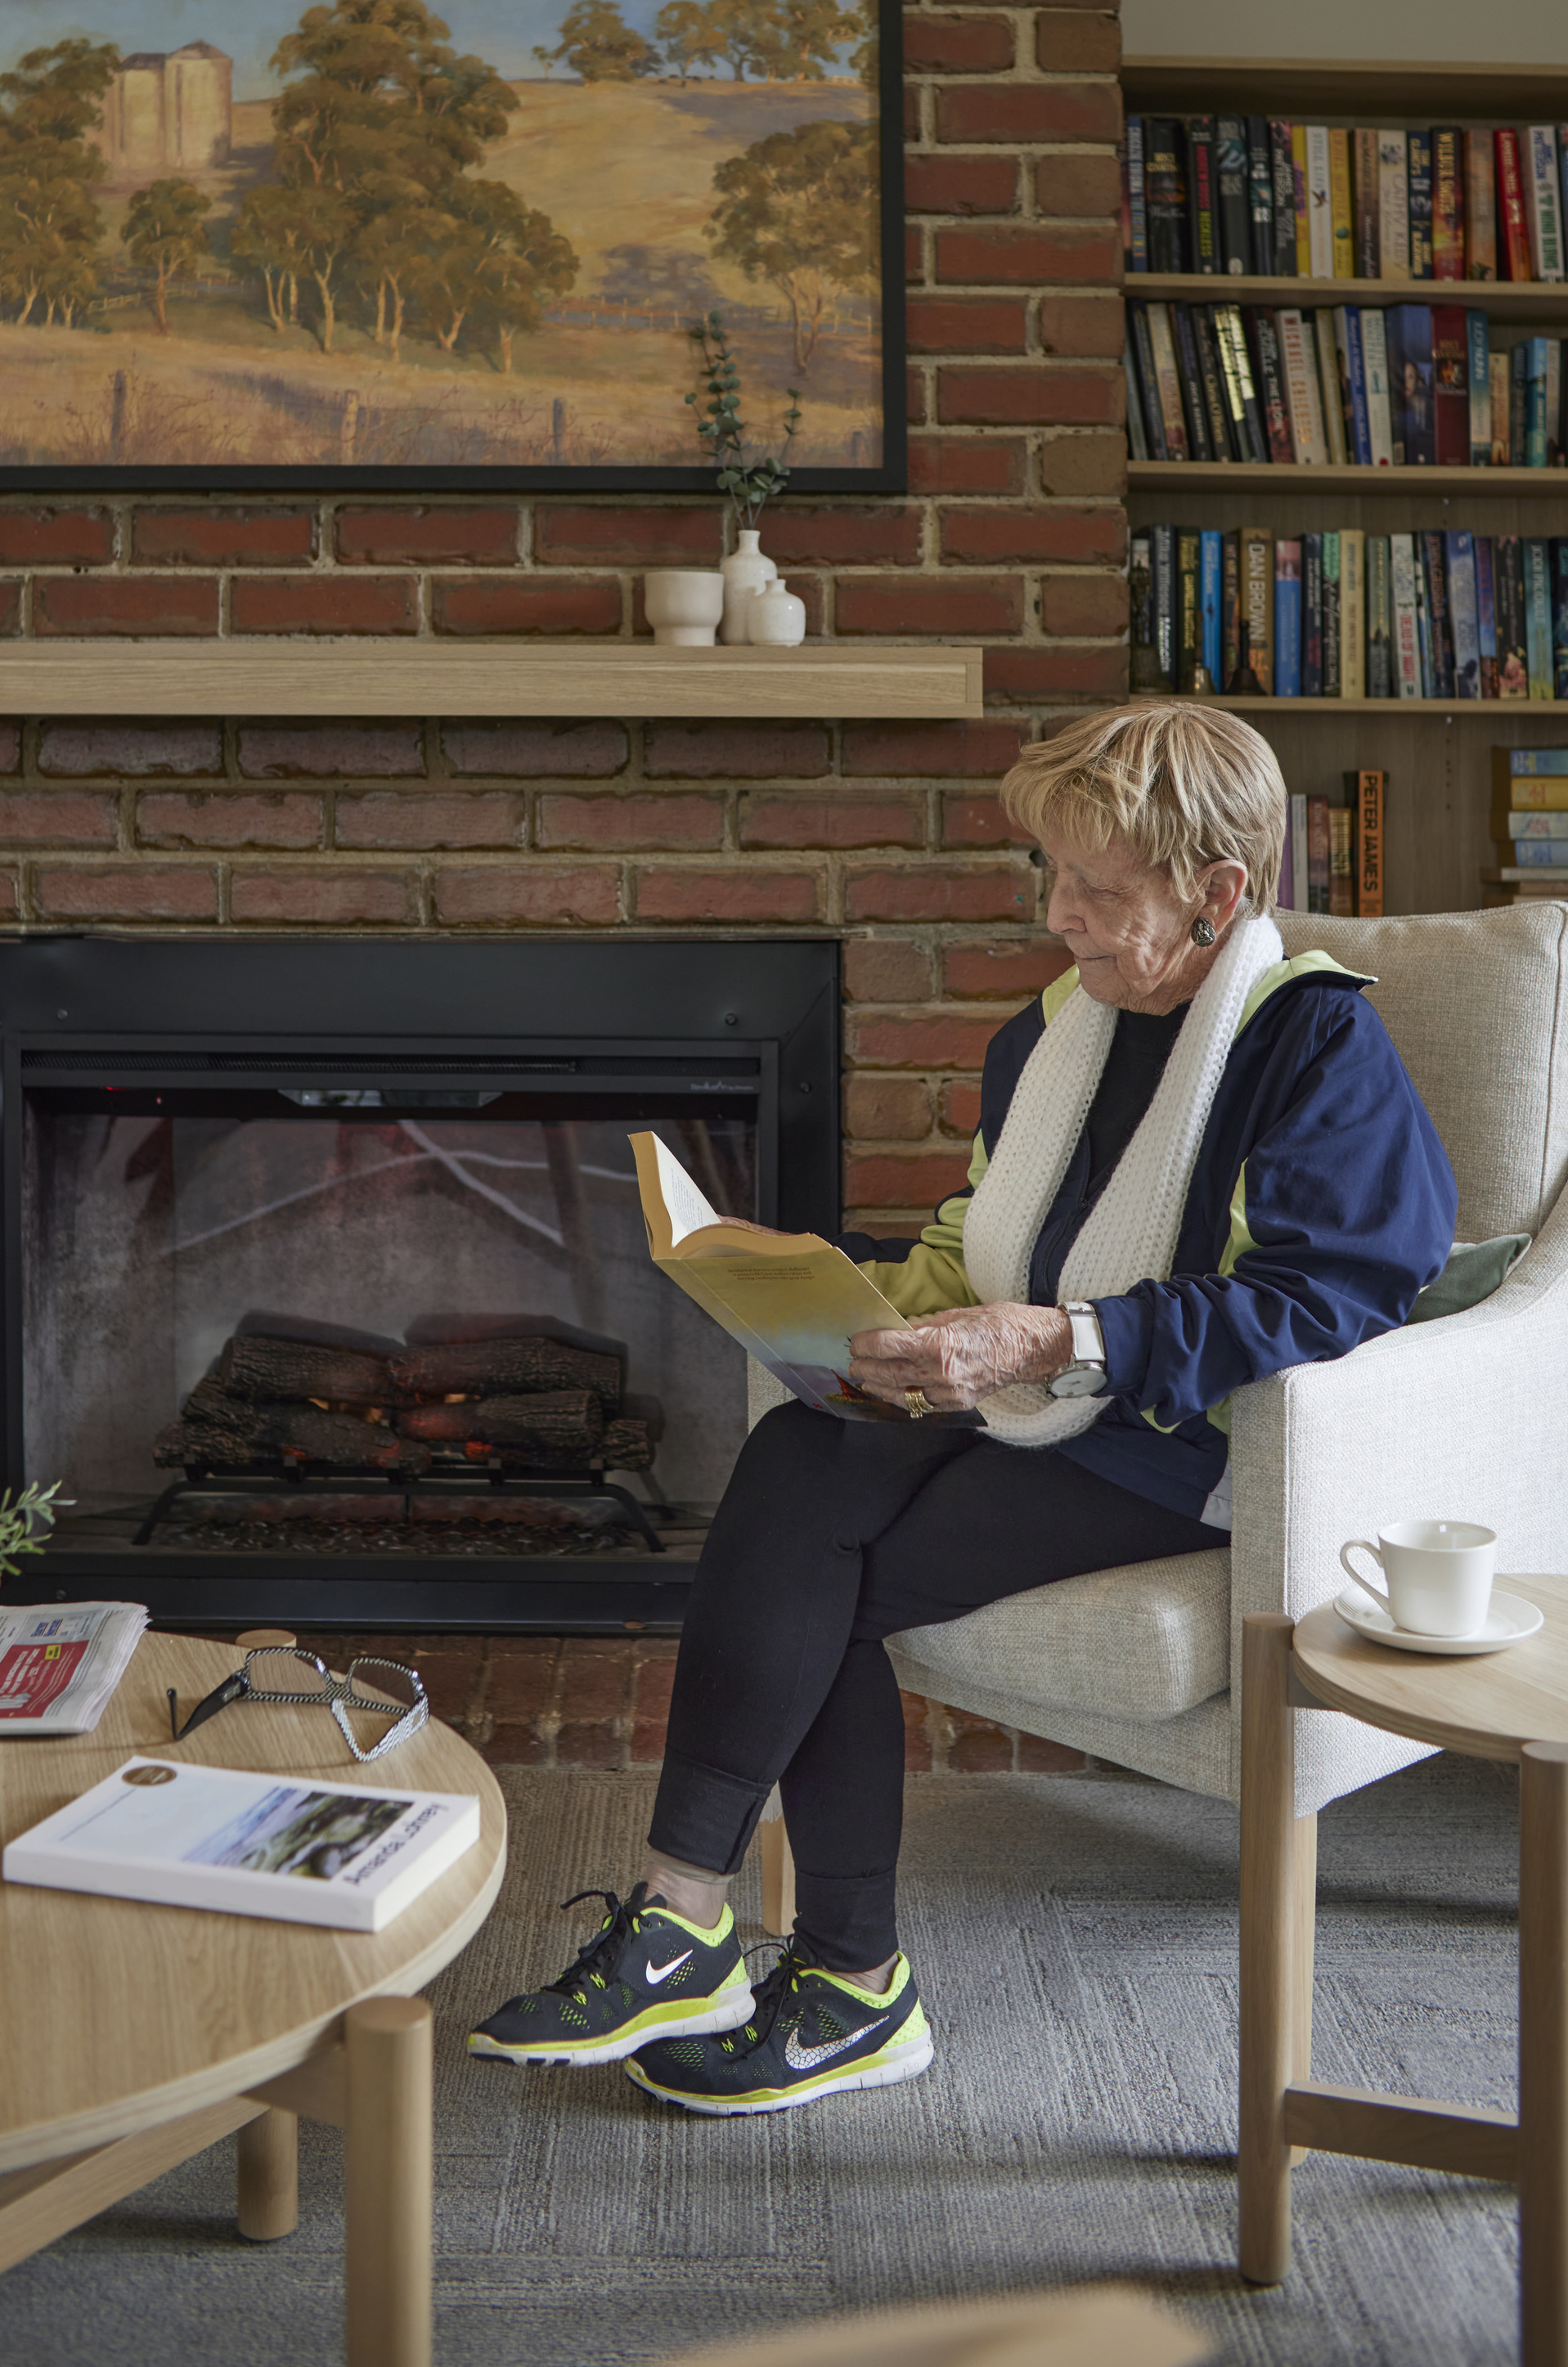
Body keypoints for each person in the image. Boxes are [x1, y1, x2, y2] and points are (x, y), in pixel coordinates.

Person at [468, 702, 1456, 2113]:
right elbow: (979, 1246)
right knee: (804, 1445)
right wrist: (840, 1302)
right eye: (1052, 875)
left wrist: (1063, 1336)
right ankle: (692, 1918)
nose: (1058, 917)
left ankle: (845, 1984)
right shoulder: (1055, 1034)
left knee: (821, 1586)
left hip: (1187, 1442)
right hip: (1038, 1397)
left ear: (1219, 891)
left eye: (1098, 888)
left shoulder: (1316, 1044)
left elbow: (1332, 1298)